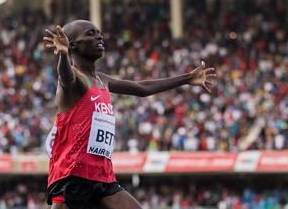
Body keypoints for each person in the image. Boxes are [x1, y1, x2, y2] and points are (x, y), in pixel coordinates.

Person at [43, 20, 217, 209]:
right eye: (90, 34)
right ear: (73, 44)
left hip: (103, 176)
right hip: (73, 175)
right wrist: (63, 55)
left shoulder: (102, 79)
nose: (99, 37)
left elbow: (141, 88)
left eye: (99, 33)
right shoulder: (75, 81)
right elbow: (66, 78)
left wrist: (188, 78)